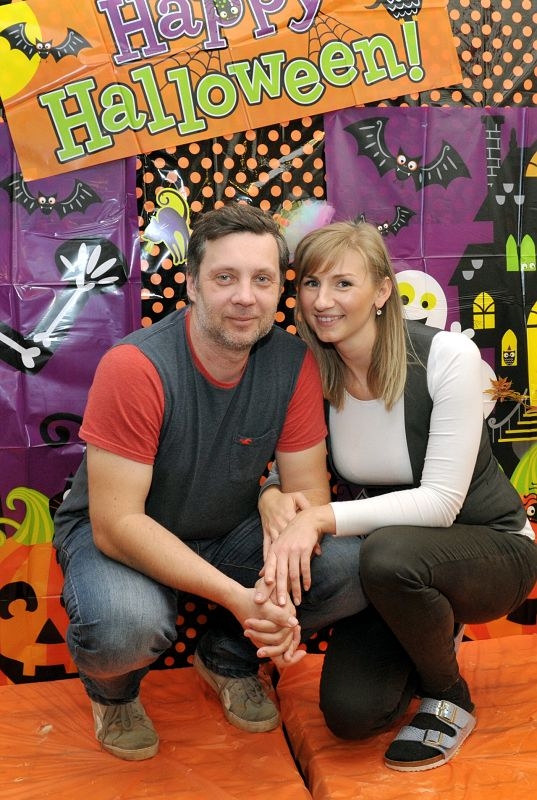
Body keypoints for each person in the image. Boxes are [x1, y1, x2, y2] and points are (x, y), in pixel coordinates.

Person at [53, 203, 366, 761]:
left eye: (262, 279)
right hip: (123, 537)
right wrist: (242, 600)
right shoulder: (136, 366)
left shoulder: (294, 362)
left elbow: (310, 498)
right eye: (225, 278)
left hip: (227, 531)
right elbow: (117, 524)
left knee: (349, 565)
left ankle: (228, 658)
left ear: (279, 290)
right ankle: (114, 694)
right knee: (124, 627)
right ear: (192, 285)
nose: (245, 297)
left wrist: (276, 506)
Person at [259, 220, 537, 772]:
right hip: (390, 566)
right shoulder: (311, 370)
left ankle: (449, 695)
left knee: (386, 554)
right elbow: (287, 463)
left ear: (383, 291)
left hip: (489, 548)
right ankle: (428, 627)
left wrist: (319, 519)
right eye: (311, 283)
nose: (322, 301)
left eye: (343, 283)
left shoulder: (447, 355)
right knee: (351, 714)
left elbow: (440, 503)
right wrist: (271, 493)